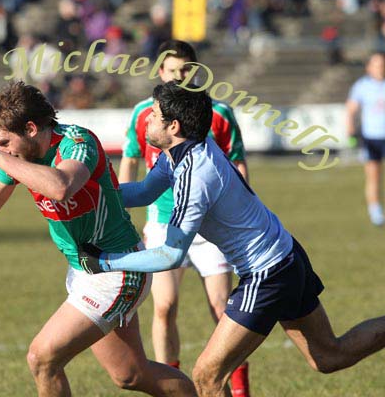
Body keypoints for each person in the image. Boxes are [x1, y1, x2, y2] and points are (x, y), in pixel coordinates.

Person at [78, 81, 385, 397]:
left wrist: (105, 262)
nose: (147, 119)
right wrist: (86, 193)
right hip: (284, 255)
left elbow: (170, 255)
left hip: (268, 274)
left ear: (174, 125)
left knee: (206, 378)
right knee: (328, 356)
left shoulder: (194, 175)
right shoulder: (183, 149)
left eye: (154, 115)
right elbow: (143, 191)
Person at [0, 81, 196, 397]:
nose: (2, 150)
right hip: (86, 270)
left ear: (30, 128)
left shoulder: (77, 143)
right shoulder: (17, 156)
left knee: (42, 358)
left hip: (118, 270)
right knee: (131, 375)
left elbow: (62, 186)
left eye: (5, 142)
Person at [119, 39, 250, 396]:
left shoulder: (216, 114)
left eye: (185, 70)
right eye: (172, 70)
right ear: (160, 72)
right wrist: (111, 202)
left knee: (224, 310)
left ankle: (238, 390)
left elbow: (237, 161)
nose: (179, 76)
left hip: (210, 228)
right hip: (164, 220)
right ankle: (171, 390)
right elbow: (136, 167)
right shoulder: (146, 114)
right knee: (164, 306)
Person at [346, 51, 385, 226]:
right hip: (371, 137)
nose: (380, 68)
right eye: (376, 64)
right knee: (373, 176)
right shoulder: (361, 86)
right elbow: (351, 109)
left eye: (382, 64)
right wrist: (350, 130)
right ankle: (375, 211)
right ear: (369, 67)